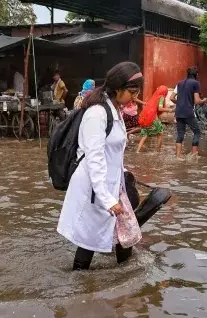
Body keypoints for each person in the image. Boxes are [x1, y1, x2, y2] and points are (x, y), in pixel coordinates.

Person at [58, 61, 143, 271]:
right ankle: (82, 282)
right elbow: (94, 158)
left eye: (137, 91)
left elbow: (112, 153)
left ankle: (125, 276)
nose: (135, 96)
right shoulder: (97, 113)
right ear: (117, 88)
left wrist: (124, 176)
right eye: (132, 91)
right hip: (95, 185)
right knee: (90, 238)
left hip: (112, 183)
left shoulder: (116, 110)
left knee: (123, 231)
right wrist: (106, 198)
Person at [171, 66, 207, 160]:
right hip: (188, 112)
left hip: (178, 112)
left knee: (180, 134)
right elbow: (197, 101)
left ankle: (178, 156)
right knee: (197, 132)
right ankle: (194, 154)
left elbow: (171, 98)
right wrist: (204, 100)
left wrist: (179, 103)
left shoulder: (179, 83)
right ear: (196, 74)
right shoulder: (195, 83)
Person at [137, 86, 172, 153]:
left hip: (146, 118)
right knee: (160, 134)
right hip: (153, 119)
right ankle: (158, 151)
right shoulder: (161, 97)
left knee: (145, 135)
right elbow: (160, 108)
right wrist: (170, 110)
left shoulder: (154, 97)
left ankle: (137, 151)